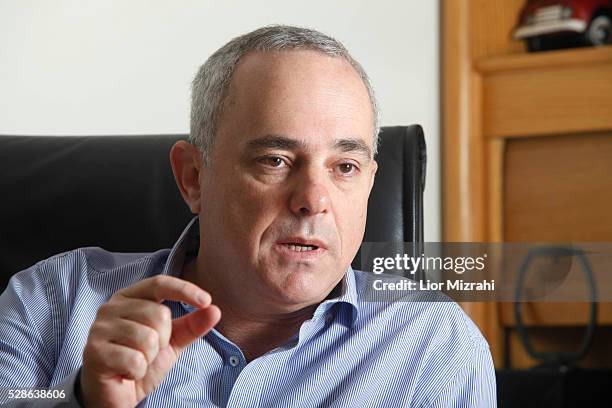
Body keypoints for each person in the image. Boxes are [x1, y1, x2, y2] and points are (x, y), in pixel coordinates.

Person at [0, 25, 496, 407]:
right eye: (275, 160)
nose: (313, 200)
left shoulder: (436, 347)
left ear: (369, 180)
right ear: (194, 176)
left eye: (344, 167)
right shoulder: (56, 299)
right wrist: (79, 398)